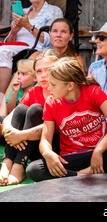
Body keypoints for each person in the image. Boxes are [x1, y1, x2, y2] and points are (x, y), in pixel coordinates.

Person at [26, 56, 107, 181]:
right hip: (73, 157)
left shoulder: (92, 92)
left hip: (101, 152)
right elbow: (45, 139)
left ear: (70, 85)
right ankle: (82, 175)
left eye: (53, 84)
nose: (49, 88)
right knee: (34, 169)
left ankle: (83, 174)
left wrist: (99, 150)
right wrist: (48, 153)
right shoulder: (51, 103)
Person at [0, 49, 58, 185]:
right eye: (39, 71)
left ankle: (19, 164)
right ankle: (7, 162)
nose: (43, 75)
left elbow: (55, 126)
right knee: (21, 109)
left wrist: (22, 135)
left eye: (48, 70)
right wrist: (10, 130)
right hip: (32, 146)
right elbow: (13, 115)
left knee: (35, 109)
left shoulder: (60, 91)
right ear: (35, 76)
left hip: (52, 144)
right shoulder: (34, 91)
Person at [0, 0, 63, 96]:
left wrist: (28, 26)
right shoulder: (24, 12)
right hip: (17, 47)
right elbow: (9, 43)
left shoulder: (53, 11)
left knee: (2, 52)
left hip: (36, 50)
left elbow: (51, 40)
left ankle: (1, 96)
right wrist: (14, 30)